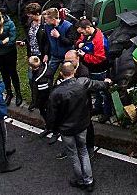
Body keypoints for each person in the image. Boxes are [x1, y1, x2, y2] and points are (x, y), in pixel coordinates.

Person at [46, 61, 110, 192]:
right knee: (83, 151)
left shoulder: (56, 93)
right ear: (74, 71)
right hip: (81, 125)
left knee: (73, 155)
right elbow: (99, 85)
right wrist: (107, 83)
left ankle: (80, 180)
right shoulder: (82, 83)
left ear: (61, 74)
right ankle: (89, 180)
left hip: (66, 129)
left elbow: (52, 115)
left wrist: (53, 128)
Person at [75, 19, 112, 122]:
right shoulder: (88, 33)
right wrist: (79, 44)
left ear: (87, 28)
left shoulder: (99, 41)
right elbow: (80, 39)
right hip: (91, 69)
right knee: (96, 90)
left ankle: (107, 112)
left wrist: (84, 56)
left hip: (99, 71)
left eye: (82, 32)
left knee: (103, 92)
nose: (81, 34)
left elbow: (99, 59)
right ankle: (98, 107)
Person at [43, 8, 76, 80]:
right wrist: (46, 54)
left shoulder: (68, 26)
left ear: (53, 19)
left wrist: (58, 37)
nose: (45, 21)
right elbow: (47, 41)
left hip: (66, 57)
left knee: (67, 76)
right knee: (48, 75)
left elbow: (70, 42)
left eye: (46, 19)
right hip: (54, 55)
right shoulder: (47, 26)